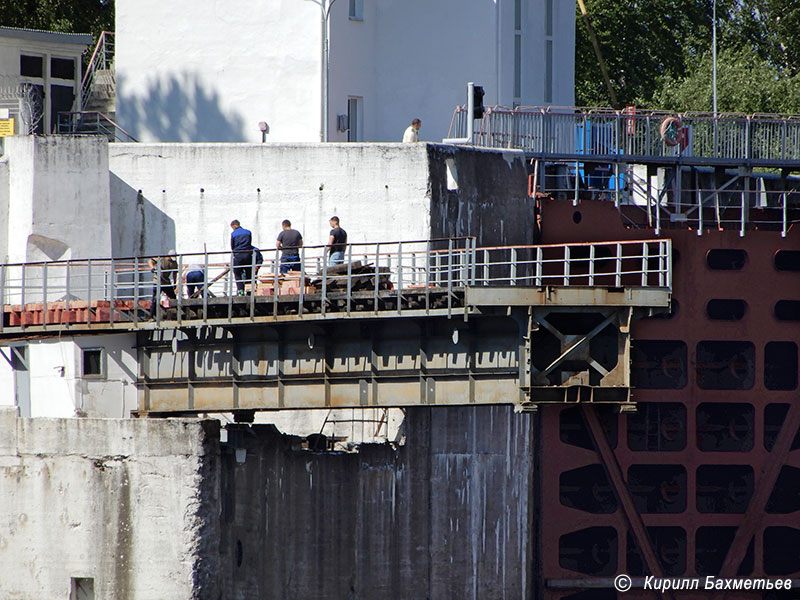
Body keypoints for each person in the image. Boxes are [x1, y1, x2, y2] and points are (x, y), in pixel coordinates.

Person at [230, 219, 261, 295]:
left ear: (234, 226)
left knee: (237, 273)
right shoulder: (248, 232)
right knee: (248, 273)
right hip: (248, 256)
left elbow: (232, 247)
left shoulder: (233, 234)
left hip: (238, 256)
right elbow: (249, 243)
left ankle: (240, 291)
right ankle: (249, 291)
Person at [148, 250, 178, 317]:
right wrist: (152, 267)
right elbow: (150, 261)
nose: (172, 260)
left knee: (173, 297)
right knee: (155, 298)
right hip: (157, 281)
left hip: (166, 282)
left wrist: (175, 283)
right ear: (168, 256)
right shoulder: (161, 258)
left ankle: (176, 314)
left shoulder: (174, 263)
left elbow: (175, 273)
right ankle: (151, 316)